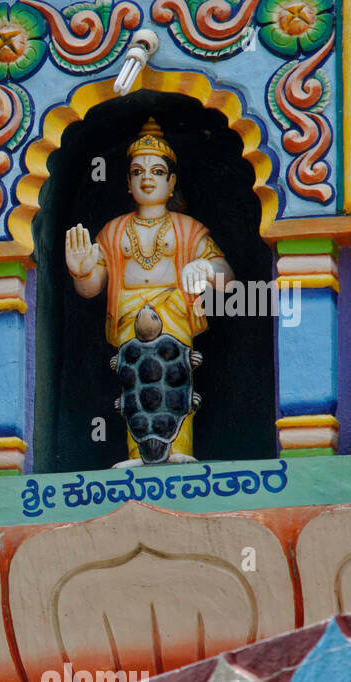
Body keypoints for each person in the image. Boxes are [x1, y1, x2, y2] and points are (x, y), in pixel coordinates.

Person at [65, 118, 233, 464]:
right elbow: (92, 287)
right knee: (133, 380)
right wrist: (81, 270)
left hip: (175, 313)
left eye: (157, 172)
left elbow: (227, 278)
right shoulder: (113, 231)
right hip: (129, 314)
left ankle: (179, 451)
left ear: (172, 182)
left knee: (176, 376)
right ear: (127, 182)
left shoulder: (188, 228)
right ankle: (139, 453)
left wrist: (205, 269)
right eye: (138, 171)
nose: (147, 178)